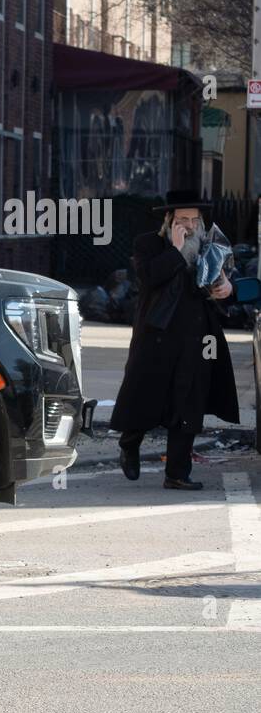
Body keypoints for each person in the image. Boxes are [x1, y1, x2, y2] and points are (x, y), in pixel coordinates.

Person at [110, 190, 239, 490]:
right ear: (169, 221)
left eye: (195, 219)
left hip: (197, 335)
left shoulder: (212, 247)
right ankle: (130, 444)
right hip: (157, 334)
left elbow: (219, 284)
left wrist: (227, 288)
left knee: (189, 400)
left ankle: (177, 473)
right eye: (183, 219)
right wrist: (177, 251)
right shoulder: (149, 244)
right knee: (144, 394)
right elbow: (149, 278)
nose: (190, 225)